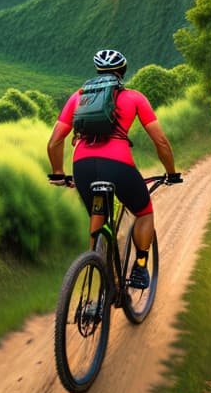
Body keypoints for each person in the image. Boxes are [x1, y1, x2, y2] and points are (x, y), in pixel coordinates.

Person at [47, 49, 182, 289]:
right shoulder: (134, 97)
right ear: (122, 73)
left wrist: (58, 173)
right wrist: (171, 172)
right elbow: (161, 142)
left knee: (98, 217)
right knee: (144, 213)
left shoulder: (78, 97)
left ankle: (95, 268)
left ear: (98, 71)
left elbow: (54, 141)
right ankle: (140, 268)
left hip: (83, 167)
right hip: (117, 165)